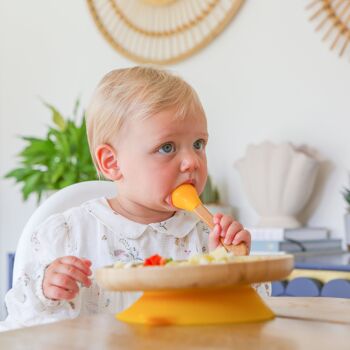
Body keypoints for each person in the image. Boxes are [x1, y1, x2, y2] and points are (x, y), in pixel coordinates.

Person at [1, 66, 266, 331]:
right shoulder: (68, 235)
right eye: (167, 147)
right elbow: (19, 328)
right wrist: (47, 292)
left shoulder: (206, 240)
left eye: (198, 144)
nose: (191, 161)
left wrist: (236, 269)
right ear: (112, 162)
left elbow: (250, 323)